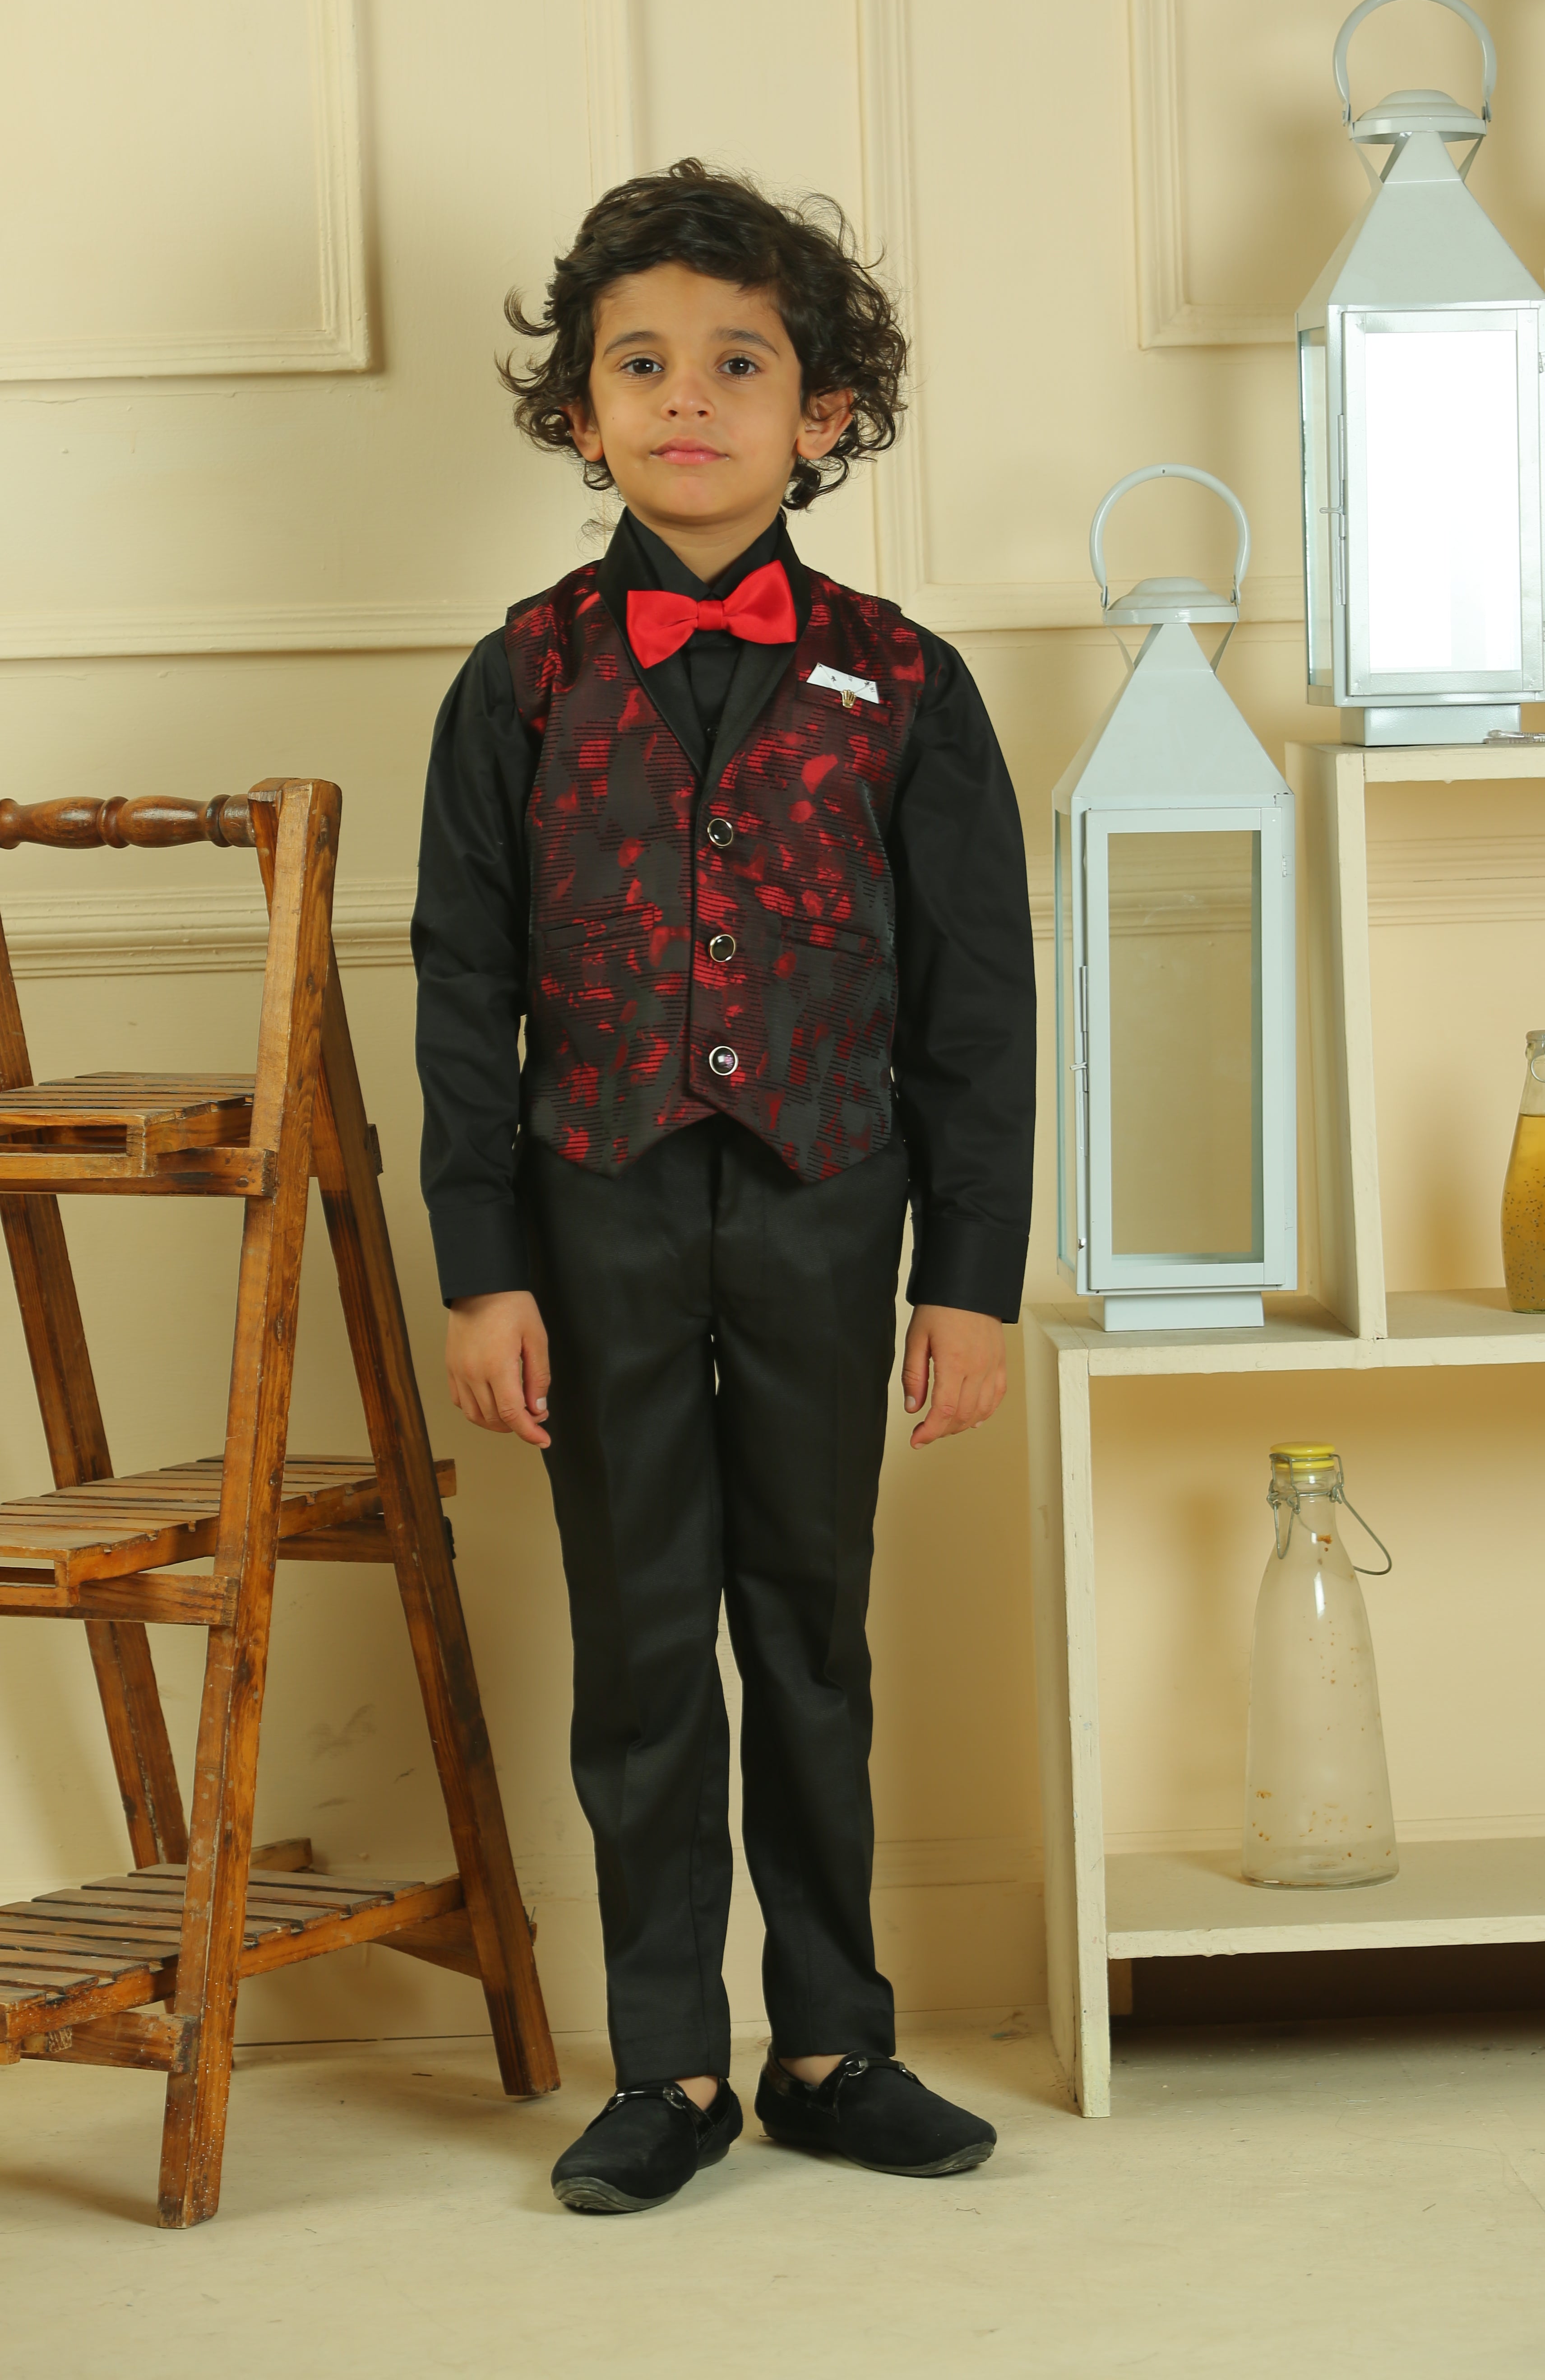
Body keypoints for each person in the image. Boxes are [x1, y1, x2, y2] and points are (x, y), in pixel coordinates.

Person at [412, 160, 1036, 2215]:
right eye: (641, 366)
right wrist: (484, 1271)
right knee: (640, 1635)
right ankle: (667, 2066)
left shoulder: (911, 686)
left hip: (828, 1211)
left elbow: (976, 1015)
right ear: (578, 412)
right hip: (592, 1213)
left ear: (823, 411)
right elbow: (462, 992)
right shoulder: (515, 682)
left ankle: (837, 2038)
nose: (690, 402)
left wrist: (972, 1280)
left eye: (740, 366)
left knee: (814, 1630)